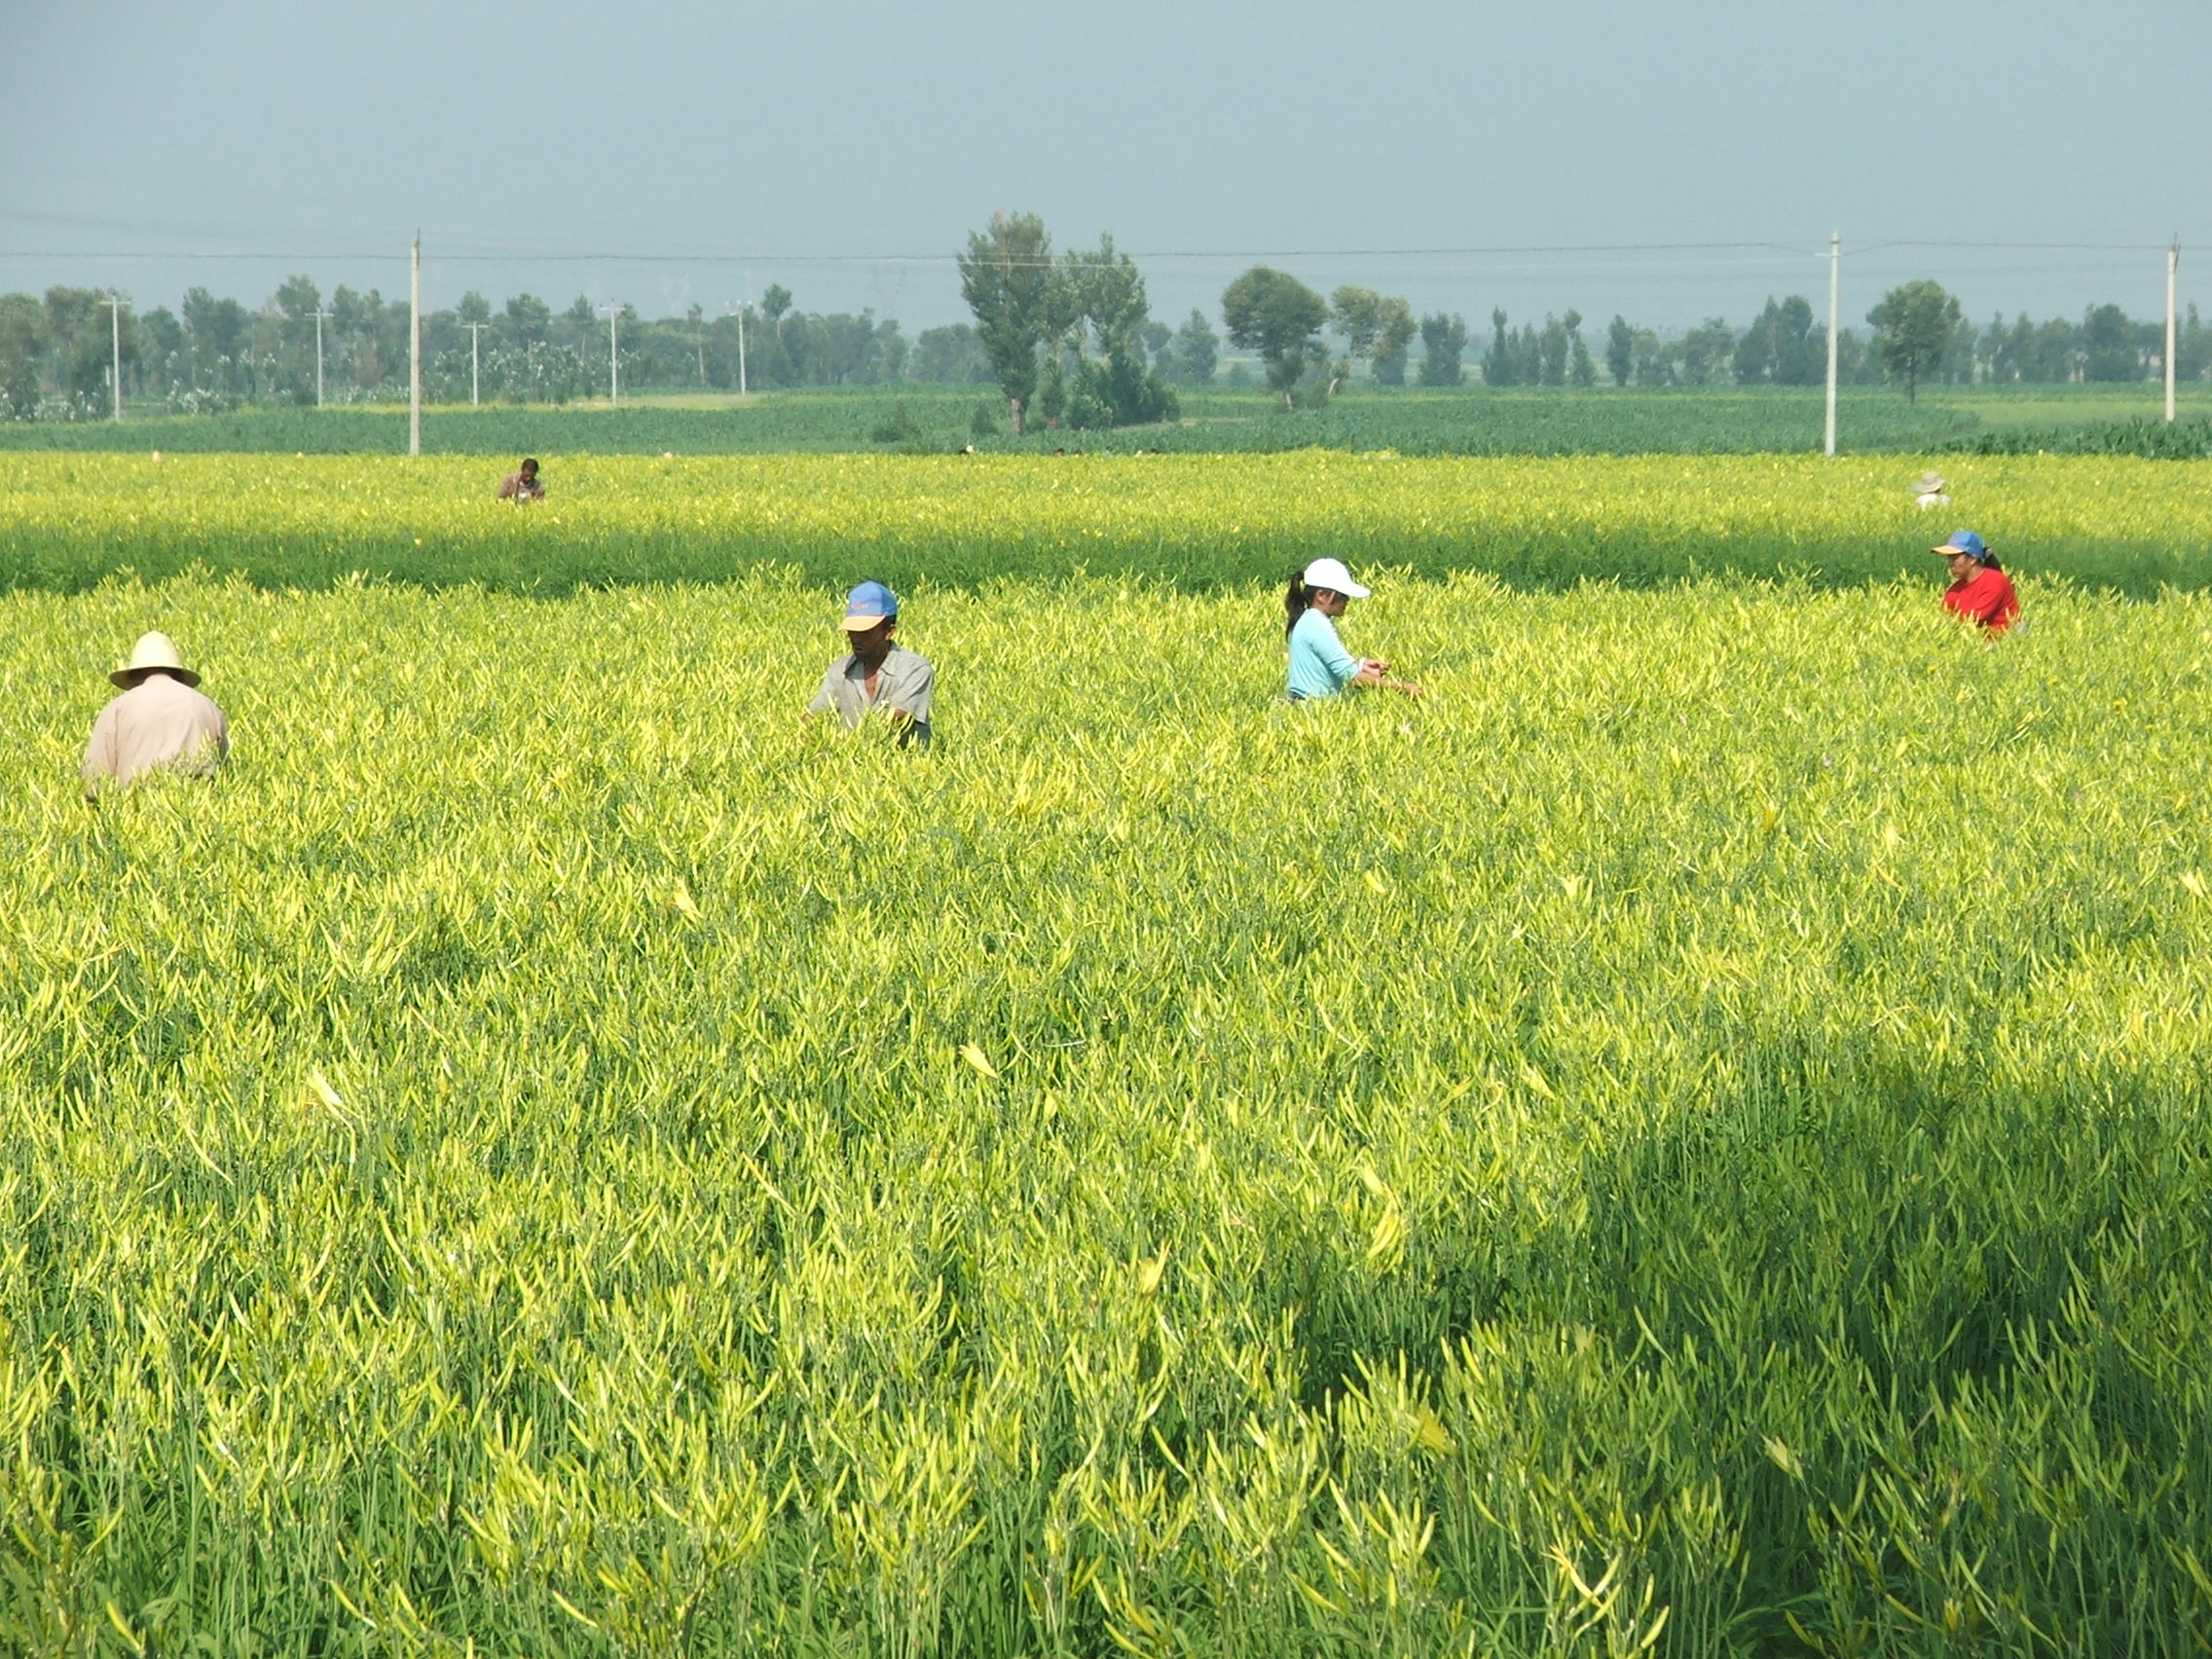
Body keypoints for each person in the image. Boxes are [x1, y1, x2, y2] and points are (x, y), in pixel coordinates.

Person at [82, 632, 229, 802]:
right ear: (178, 675)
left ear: (134, 676)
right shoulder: (209, 707)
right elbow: (224, 774)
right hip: (197, 809)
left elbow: (94, 783)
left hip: (135, 811)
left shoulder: (116, 709)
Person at [808, 580, 934, 748]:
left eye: (865, 632)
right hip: (849, 764)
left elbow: (897, 716)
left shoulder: (915, 669)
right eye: (852, 631)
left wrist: (851, 747)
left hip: (904, 768)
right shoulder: (840, 669)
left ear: (889, 632)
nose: (856, 638)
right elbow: (814, 717)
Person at [1285, 557, 1420, 700]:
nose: (1347, 600)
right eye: (1343, 595)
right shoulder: (1316, 625)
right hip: (1312, 709)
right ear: (1321, 596)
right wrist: (1403, 688)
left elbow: (1328, 665)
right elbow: (1351, 677)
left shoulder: (1309, 619)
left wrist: (1360, 665)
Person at [1934, 530, 2019, 632]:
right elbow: (1942, 619)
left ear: (1973, 559)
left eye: (1954, 558)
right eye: (1949, 558)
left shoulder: (1995, 581)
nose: (1950, 563)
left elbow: (1975, 619)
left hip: (2008, 638)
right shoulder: (1954, 591)